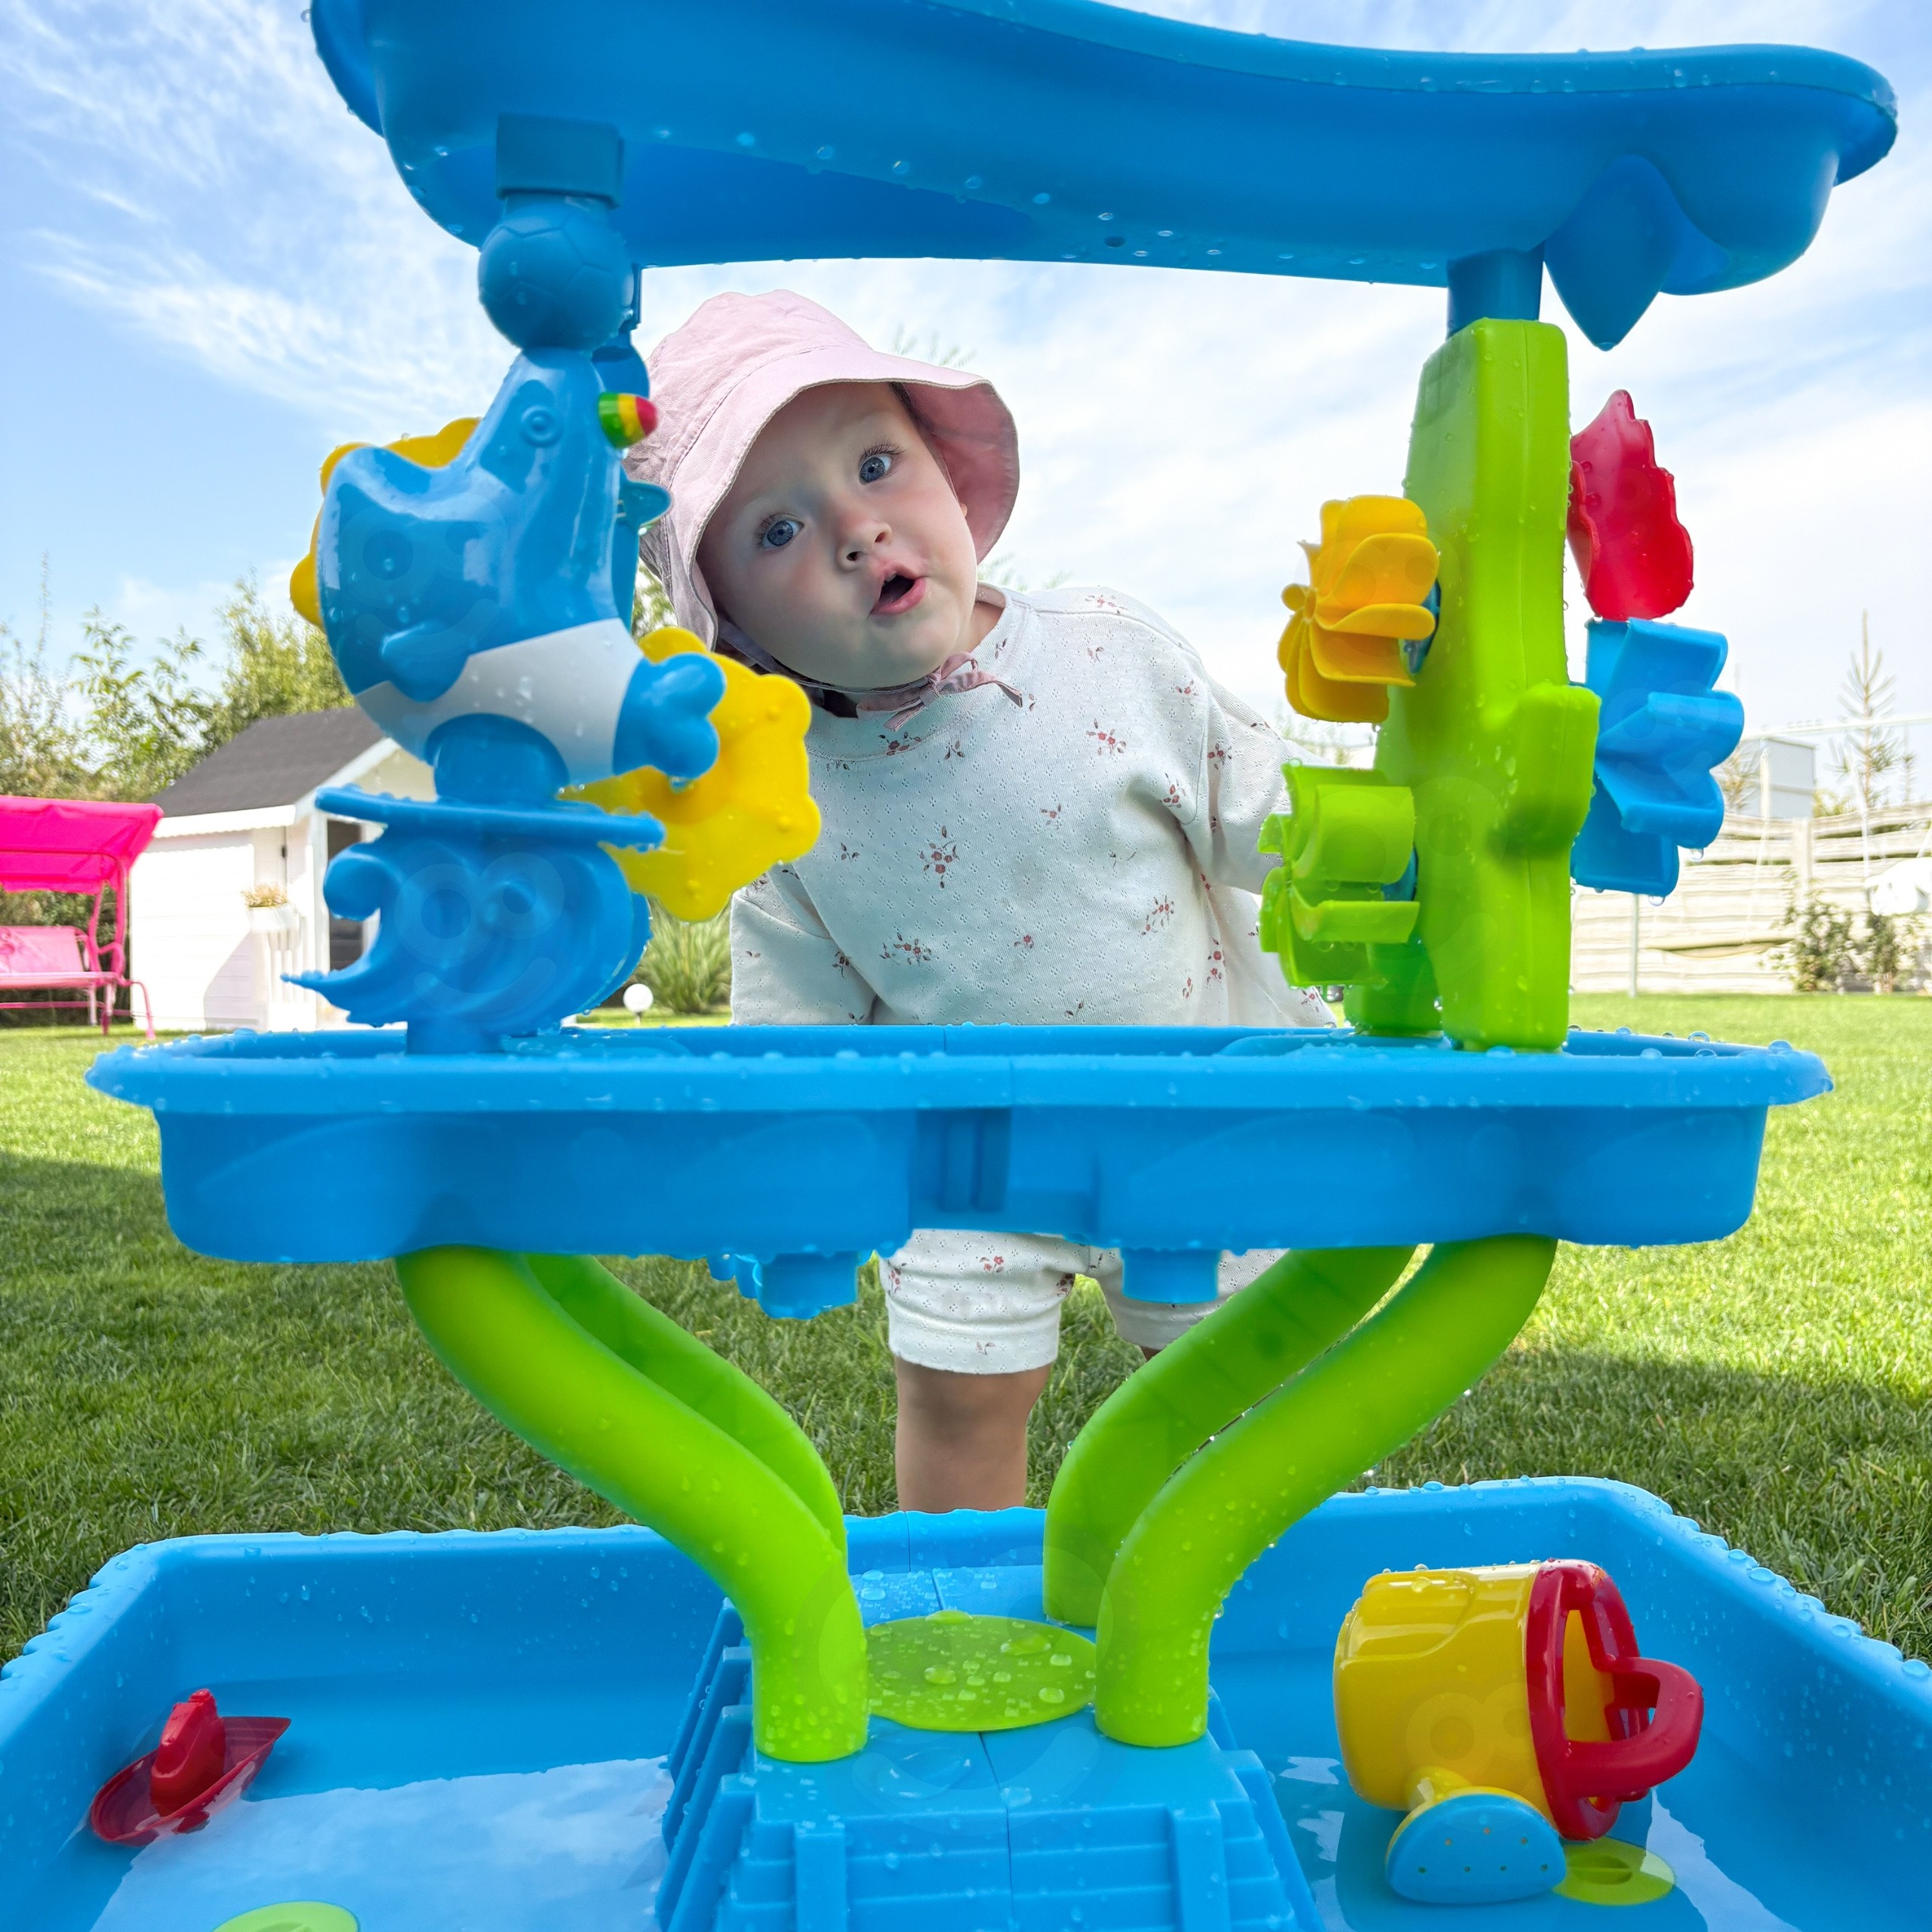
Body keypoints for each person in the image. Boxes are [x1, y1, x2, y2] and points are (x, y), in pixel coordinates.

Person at [629, 290, 1330, 1512]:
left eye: (876, 465)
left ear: (950, 481)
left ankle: (1257, 1576)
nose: (857, 531)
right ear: (732, 628)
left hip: (1189, 1111)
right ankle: (963, 1597)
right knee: (955, 1400)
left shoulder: (1110, 653)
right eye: (779, 529)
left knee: (1240, 1387)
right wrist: (781, 1166)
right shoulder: (781, 790)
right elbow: (793, 1020)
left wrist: (1384, 865)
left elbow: (1269, 817)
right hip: (966, 1158)